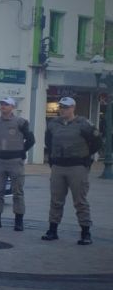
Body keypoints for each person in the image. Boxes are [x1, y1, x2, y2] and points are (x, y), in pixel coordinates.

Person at [43, 97, 101, 245]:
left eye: (67, 107)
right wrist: (52, 159)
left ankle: (85, 233)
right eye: (61, 107)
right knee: (56, 200)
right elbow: (48, 142)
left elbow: (96, 142)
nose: (63, 110)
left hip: (77, 167)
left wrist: (86, 158)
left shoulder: (84, 124)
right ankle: (52, 230)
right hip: (58, 167)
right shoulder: (53, 124)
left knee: (80, 201)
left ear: (73, 108)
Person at [0, 97, 35, 231]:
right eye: (2, 104)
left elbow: (31, 139)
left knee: (17, 192)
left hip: (15, 161)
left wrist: (21, 151)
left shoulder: (21, 122)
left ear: (13, 107)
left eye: (6, 104)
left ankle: (18, 221)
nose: (3, 106)